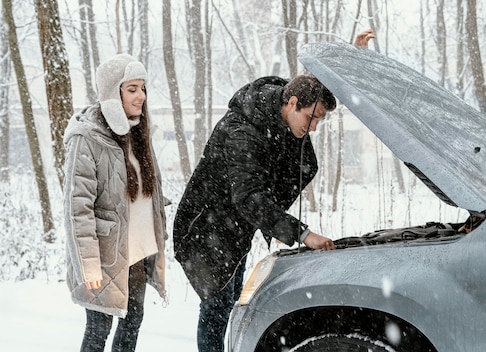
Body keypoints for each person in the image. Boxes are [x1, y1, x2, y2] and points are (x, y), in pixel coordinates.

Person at [173, 30, 376, 352]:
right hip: (206, 227)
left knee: (228, 304)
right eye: (311, 119)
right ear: (292, 103)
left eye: (319, 121)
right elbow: (249, 196)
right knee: (216, 308)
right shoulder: (242, 131)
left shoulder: (291, 101)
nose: (312, 128)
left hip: (235, 224)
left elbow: (316, 83)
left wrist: (353, 58)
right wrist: (302, 233)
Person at [63, 54, 167, 352]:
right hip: (105, 258)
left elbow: (139, 192)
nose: (141, 96)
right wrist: (89, 267)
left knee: (132, 323)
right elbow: (77, 209)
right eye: (132, 88)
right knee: (99, 331)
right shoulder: (88, 137)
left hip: (137, 254)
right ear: (113, 91)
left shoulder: (140, 133)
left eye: (143, 88)